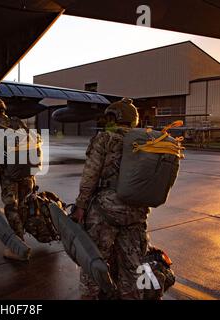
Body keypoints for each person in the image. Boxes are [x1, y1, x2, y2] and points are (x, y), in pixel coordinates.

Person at [73, 98, 150, 300]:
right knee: (132, 266)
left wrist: (81, 206)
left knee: (94, 261)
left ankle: (88, 297)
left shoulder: (105, 139)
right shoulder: (145, 142)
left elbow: (90, 175)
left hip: (106, 210)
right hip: (136, 212)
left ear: (116, 117)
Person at [0, 97, 40, 262]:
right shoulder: (17, 123)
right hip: (28, 174)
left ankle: (18, 247)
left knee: (11, 209)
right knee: (24, 206)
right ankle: (29, 233)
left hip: (10, 177)